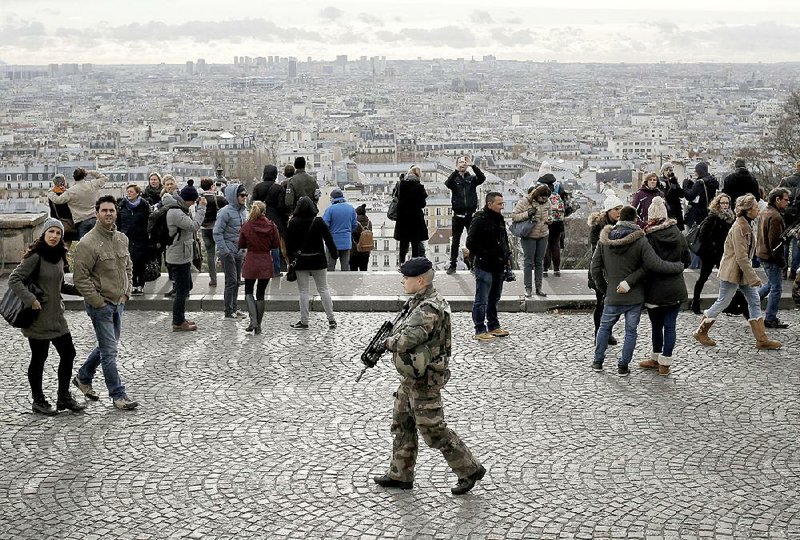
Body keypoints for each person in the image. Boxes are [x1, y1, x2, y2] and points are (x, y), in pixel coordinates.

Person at [371, 256, 486, 495]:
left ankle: (469, 469)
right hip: (412, 376)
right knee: (402, 422)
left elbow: (407, 339)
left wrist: (387, 343)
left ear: (420, 280)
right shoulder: (419, 301)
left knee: (434, 431)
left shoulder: (428, 308)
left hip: (425, 380)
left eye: (406, 277)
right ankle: (400, 473)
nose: (403, 280)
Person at [589, 205, 684, 376]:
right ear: (635, 220)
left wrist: (606, 289)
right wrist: (677, 266)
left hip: (612, 294)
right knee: (630, 332)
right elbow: (653, 264)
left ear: (619, 219)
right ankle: (623, 366)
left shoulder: (604, 240)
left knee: (604, 328)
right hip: (634, 297)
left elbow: (594, 269)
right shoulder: (640, 240)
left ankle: (598, 361)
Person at [8, 218, 86, 415]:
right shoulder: (35, 256)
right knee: (39, 358)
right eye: (51, 232)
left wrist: (80, 290)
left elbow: (57, 284)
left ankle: (63, 397)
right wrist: (30, 299)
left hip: (56, 316)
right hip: (38, 317)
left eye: (58, 233)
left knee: (68, 354)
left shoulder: (59, 255)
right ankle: (38, 400)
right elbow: (14, 279)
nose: (54, 236)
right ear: (44, 233)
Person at [70, 195, 138, 410]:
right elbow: (80, 278)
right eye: (104, 210)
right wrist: (97, 302)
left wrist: (126, 292)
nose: (108, 213)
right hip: (101, 305)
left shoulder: (121, 238)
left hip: (119, 301)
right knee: (110, 352)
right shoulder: (87, 243)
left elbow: (128, 266)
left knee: (107, 346)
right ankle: (118, 395)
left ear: (116, 212)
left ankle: (83, 376)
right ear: (97, 213)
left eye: (111, 210)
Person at [693, 194, 782, 350]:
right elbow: (741, 257)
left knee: (753, 301)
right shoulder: (740, 227)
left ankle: (761, 339)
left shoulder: (745, 224)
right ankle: (701, 331)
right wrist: (753, 277)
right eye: (755, 207)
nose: (757, 210)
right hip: (733, 272)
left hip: (740, 272)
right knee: (723, 301)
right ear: (747, 210)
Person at [627, 197, 690, 376]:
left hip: (654, 289)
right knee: (670, 325)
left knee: (656, 326)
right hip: (676, 287)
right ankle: (665, 363)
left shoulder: (648, 237)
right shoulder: (678, 234)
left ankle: (655, 357)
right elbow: (687, 260)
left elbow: (645, 264)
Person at [286, 196, 338, 330]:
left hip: (301, 261)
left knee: (303, 291)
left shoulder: (293, 222)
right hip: (318, 260)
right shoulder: (318, 221)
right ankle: (331, 319)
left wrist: (291, 260)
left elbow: (289, 245)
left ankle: (304, 321)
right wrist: (334, 254)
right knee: (323, 289)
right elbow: (329, 239)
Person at [466, 191, 511, 341]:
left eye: (502, 203)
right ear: (489, 204)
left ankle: (493, 325)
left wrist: (506, 255)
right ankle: (479, 329)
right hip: (484, 265)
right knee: (482, 299)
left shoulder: (499, 218)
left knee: (494, 297)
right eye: (499, 204)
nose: (502, 207)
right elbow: (470, 242)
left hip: (498, 265)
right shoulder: (479, 219)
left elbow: (503, 239)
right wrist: (486, 254)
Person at [163, 193, 206, 331]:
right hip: (178, 257)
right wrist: (202, 208)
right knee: (182, 291)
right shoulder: (175, 212)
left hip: (181, 254)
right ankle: (178, 321)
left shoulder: (176, 209)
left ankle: (180, 317)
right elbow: (194, 226)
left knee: (187, 286)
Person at [587, 191, 624, 346]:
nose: (619, 212)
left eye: (621, 209)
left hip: (615, 271)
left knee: (613, 305)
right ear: (609, 211)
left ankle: (607, 331)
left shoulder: (620, 225)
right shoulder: (598, 227)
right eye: (616, 209)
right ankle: (599, 333)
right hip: (600, 271)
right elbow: (597, 249)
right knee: (601, 303)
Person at [238, 201, 280, 334]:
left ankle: (253, 320)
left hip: (251, 260)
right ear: (264, 212)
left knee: (249, 291)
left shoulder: (247, 226)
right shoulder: (271, 226)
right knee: (261, 293)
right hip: (265, 261)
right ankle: (259, 325)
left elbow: (241, 243)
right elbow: (275, 244)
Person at [690, 193, 735, 315]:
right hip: (710, 253)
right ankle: (695, 302)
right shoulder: (712, 217)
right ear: (718, 204)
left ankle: (727, 304)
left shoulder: (729, 218)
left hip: (722, 253)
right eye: (723, 203)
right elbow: (703, 235)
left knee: (726, 279)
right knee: (703, 277)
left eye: (727, 203)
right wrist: (713, 247)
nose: (725, 205)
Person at [756, 187, 791, 329]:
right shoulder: (775, 216)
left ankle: (750, 301)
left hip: (762, 254)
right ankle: (770, 318)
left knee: (771, 283)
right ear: (777, 199)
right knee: (776, 287)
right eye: (786, 200)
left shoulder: (765, 212)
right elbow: (775, 244)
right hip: (770, 257)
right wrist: (782, 263)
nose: (788, 202)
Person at [444, 156, 486, 275]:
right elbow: (447, 183)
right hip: (458, 214)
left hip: (470, 214)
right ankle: (453, 264)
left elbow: (482, 178)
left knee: (472, 240)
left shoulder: (471, 179)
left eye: (464, 162)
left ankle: (473, 264)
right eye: (460, 162)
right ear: (457, 164)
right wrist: (456, 171)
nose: (463, 164)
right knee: (455, 241)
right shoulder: (455, 179)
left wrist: (473, 166)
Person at [214, 183, 249, 320]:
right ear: (234, 196)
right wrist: (225, 251)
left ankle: (234, 308)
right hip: (228, 251)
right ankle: (229, 310)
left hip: (239, 251)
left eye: (246, 195)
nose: (244, 197)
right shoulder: (225, 212)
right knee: (231, 281)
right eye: (242, 195)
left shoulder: (243, 211)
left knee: (237, 281)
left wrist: (245, 248)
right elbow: (217, 233)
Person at [511, 184, 551, 297]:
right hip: (529, 235)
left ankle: (539, 287)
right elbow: (514, 217)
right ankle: (528, 288)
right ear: (537, 195)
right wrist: (527, 213)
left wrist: (549, 220)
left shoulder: (547, 202)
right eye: (543, 197)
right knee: (528, 262)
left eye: (546, 198)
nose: (545, 200)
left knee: (539, 262)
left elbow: (550, 214)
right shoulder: (524, 202)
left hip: (543, 234)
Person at [46, 168, 107, 239]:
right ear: (84, 176)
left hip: (81, 221)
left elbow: (57, 200)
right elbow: (104, 178)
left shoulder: (71, 191)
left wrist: (50, 192)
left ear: (74, 177)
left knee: (84, 246)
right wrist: (89, 172)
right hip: (94, 218)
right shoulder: (92, 185)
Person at [116, 184, 151, 296]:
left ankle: (139, 284)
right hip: (126, 238)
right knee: (128, 262)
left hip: (141, 238)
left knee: (140, 262)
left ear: (137, 193)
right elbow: (119, 222)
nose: (129, 193)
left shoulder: (144, 205)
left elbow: (149, 221)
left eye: (131, 191)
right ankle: (130, 285)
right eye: (128, 191)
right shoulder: (122, 205)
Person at [252, 164, 287, 276]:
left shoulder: (258, 187)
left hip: (261, 219)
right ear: (275, 175)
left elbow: (253, 204)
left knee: (262, 247)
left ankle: (261, 269)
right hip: (276, 220)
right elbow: (282, 206)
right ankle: (277, 270)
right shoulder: (279, 188)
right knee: (276, 246)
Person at [394, 165, 429, 264]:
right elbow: (422, 204)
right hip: (415, 219)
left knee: (403, 242)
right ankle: (414, 263)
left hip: (403, 218)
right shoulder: (419, 187)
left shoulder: (401, 185)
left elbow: (397, 198)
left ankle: (401, 263)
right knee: (415, 243)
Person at [536, 164, 565, 277]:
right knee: (555, 244)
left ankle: (545, 269)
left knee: (545, 245)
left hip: (544, 219)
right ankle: (557, 269)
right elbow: (566, 204)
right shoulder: (558, 187)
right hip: (557, 221)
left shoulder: (537, 187)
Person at [199, 177, 228, 287]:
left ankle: (213, 279)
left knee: (210, 254)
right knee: (224, 251)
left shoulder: (199, 200)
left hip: (204, 228)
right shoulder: (218, 199)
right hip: (217, 228)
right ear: (212, 186)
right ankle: (228, 277)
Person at [323, 188, 358, 271]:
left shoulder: (330, 209)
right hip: (346, 241)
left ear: (333, 198)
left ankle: (331, 283)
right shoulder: (351, 208)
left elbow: (325, 225)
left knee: (330, 267)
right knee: (345, 266)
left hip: (333, 242)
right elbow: (354, 225)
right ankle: (345, 283)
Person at [778, 160, 800, 280]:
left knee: (785, 242)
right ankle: (794, 270)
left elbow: (775, 195)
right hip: (799, 218)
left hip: (786, 215)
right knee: (797, 243)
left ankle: (783, 269)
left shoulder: (786, 180)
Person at [47, 174, 79, 257]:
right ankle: (64, 257)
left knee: (58, 241)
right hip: (67, 221)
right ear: (63, 182)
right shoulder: (66, 194)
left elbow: (52, 210)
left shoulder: (51, 194)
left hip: (57, 220)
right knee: (67, 241)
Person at [684, 162, 719, 229]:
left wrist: (685, 185)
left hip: (698, 214)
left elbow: (690, 196)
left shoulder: (700, 183)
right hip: (709, 211)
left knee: (692, 236)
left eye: (696, 170)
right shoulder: (712, 181)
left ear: (699, 171)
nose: (695, 172)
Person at [660, 163, 686, 231]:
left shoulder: (673, 181)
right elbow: (667, 196)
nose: (669, 172)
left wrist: (676, 184)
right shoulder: (661, 182)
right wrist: (673, 185)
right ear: (663, 171)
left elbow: (681, 194)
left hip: (677, 209)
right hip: (668, 210)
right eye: (667, 170)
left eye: (671, 170)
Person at [350, 204, 372, 271]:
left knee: (353, 271)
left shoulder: (354, 223)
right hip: (366, 250)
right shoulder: (369, 223)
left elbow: (353, 235)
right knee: (364, 270)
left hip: (355, 251)